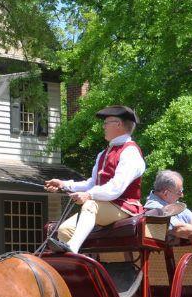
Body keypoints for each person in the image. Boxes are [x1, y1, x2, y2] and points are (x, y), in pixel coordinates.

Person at [44, 105, 145, 254]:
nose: (103, 126)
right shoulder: (103, 154)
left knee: (90, 205)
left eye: (106, 123)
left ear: (118, 124)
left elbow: (115, 188)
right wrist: (63, 184)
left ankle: (73, 247)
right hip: (102, 206)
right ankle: (81, 271)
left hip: (124, 207)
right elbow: (91, 184)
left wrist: (89, 195)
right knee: (64, 230)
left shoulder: (130, 152)